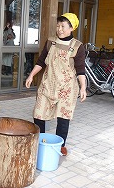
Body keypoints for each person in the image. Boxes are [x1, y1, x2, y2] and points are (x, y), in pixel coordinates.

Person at [25, 13, 87, 156]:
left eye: (63, 26)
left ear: (71, 28)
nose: (59, 29)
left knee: (63, 118)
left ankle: (61, 146)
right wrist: (31, 75)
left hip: (67, 88)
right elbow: (41, 62)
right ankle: (40, 142)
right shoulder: (51, 41)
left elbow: (80, 69)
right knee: (38, 115)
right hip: (48, 85)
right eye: (58, 26)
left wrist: (83, 87)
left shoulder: (77, 46)